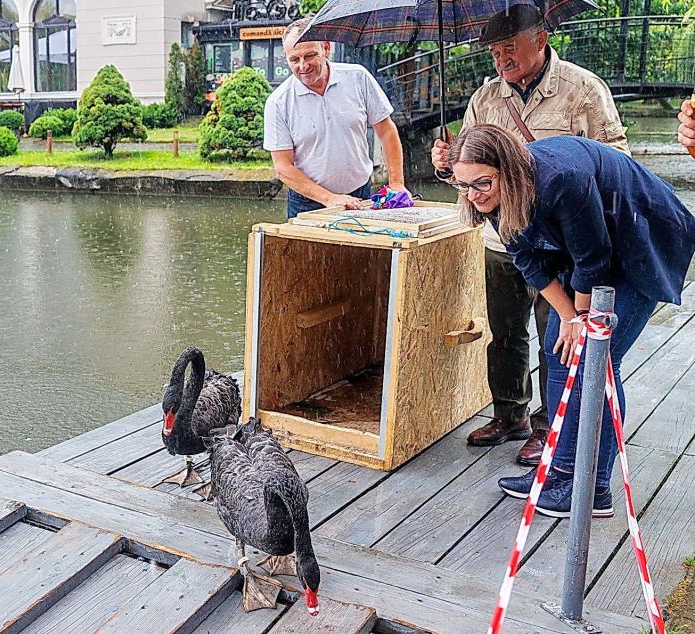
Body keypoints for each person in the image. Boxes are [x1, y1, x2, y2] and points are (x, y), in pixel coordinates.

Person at [447, 124, 695, 518]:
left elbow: (594, 259)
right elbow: (528, 260)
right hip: (586, 249)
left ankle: (592, 488)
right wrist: (567, 316)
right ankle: (558, 471)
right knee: (557, 349)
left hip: (639, 238)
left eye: (481, 183)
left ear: (507, 171)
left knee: (597, 361)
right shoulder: (487, 195)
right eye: (462, 185)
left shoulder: (561, 178)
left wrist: (580, 318)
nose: (473, 195)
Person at [431, 4, 629, 466]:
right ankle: (509, 415)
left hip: (561, 242)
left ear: (540, 39)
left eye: (511, 48)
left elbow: (618, 159)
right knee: (504, 332)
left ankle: (548, 427)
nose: (502, 59)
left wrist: (552, 164)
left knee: (554, 333)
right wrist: (445, 162)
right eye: (495, 52)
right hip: (503, 239)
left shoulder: (583, 89)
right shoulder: (486, 98)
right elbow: (470, 170)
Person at [264, 17, 406, 219]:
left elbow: (386, 130)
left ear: (326, 48)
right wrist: (330, 198)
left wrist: (397, 182)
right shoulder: (278, 102)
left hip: (361, 194)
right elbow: (283, 167)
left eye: (310, 55)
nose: (303, 66)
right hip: (307, 202)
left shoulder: (358, 77)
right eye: (294, 59)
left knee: (362, 251)